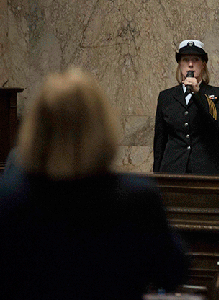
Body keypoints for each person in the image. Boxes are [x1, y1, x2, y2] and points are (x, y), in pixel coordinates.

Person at [0, 67, 188, 300]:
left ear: (36, 128)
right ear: (101, 126)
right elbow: (173, 273)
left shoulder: (9, 199)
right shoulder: (138, 199)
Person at [153, 39, 219, 175]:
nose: (190, 64)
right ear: (179, 64)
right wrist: (157, 176)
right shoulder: (166, 97)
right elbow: (160, 140)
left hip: (207, 171)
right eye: (185, 60)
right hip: (173, 170)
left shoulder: (218, 93)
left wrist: (198, 94)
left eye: (195, 60)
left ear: (203, 64)